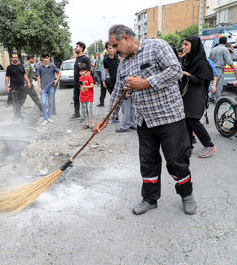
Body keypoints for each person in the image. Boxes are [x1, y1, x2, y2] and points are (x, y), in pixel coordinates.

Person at [94, 25, 196, 215]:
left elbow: (175, 71)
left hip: (169, 117)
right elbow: (118, 91)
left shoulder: (157, 46)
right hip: (144, 122)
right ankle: (149, 199)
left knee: (176, 160)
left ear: (126, 38)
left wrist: (146, 83)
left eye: (116, 46)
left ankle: (186, 195)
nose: (114, 51)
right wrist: (108, 118)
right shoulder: (124, 63)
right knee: (147, 162)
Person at [180, 36, 216, 158]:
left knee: (193, 121)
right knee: (186, 121)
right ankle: (188, 147)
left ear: (194, 46)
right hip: (187, 96)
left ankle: (209, 145)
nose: (183, 47)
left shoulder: (202, 63)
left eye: (186, 44)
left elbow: (201, 81)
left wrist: (187, 74)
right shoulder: (186, 59)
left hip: (197, 97)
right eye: (183, 44)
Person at [209, 36, 237, 102]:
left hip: (211, 69)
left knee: (213, 84)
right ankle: (218, 100)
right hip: (219, 69)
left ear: (219, 42)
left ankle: (212, 97)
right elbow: (229, 61)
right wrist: (234, 68)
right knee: (219, 85)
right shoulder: (225, 49)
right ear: (226, 42)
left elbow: (209, 60)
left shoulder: (212, 49)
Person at [5, 52, 31, 120]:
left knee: (20, 101)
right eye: (13, 57)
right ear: (11, 58)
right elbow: (7, 77)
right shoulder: (9, 67)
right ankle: (16, 116)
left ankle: (18, 114)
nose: (15, 59)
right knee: (15, 102)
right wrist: (7, 86)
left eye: (16, 57)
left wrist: (28, 82)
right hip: (14, 88)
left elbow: (24, 74)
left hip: (21, 87)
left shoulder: (21, 66)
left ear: (17, 58)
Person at [37, 52, 61, 125]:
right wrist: (39, 88)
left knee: (50, 103)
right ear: (42, 59)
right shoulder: (40, 67)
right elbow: (38, 78)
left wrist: (56, 81)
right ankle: (45, 118)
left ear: (49, 58)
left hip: (51, 87)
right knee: (43, 103)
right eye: (44, 58)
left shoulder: (52, 66)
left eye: (47, 58)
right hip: (43, 88)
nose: (46, 59)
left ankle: (49, 117)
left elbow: (59, 72)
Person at [71, 42, 91, 120]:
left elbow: (88, 71)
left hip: (83, 83)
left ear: (81, 48)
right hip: (76, 82)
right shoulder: (77, 58)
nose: (75, 48)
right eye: (75, 46)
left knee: (85, 98)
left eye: (77, 46)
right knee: (75, 98)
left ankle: (86, 115)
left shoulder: (85, 58)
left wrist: (85, 82)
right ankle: (77, 114)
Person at [78, 63, 95, 129]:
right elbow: (81, 87)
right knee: (84, 111)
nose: (81, 73)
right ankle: (87, 124)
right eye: (80, 71)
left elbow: (92, 85)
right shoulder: (80, 78)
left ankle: (93, 124)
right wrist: (82, 88)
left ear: (86, 70)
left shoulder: (89, 77)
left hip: (89, 97)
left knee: (89, 111)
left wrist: (86, 87)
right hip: (82, 97)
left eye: (82, 71)